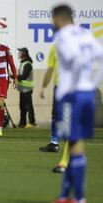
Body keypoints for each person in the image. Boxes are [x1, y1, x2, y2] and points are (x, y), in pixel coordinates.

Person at [52, 5, 103, 203]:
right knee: (75, 144)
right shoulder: (84, 33)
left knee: (73, 143)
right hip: (87, 93)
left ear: (57, 18)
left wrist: (70, 87)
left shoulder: (63, 36)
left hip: (71, 96)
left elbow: (75, 58)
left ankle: (79, 198)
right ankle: (66, 196)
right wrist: (91, 83)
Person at [39, 44, 70, 173]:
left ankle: (66, 160)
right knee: (56, 116)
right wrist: (43, 86)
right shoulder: (55, 47)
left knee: (69, 121)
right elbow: (50, 69)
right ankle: (54, 143)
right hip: (59, 87)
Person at [17, 47, 36, 128]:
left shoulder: (27, 64)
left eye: (20, 52)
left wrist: (15, 76)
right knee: (22, 107)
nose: (18, 54)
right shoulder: (23, 63)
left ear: (24, 54)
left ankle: (32, 122)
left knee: (28, 106)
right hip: (22, 89)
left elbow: (24, 76)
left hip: (27, 89)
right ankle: (22, 123)